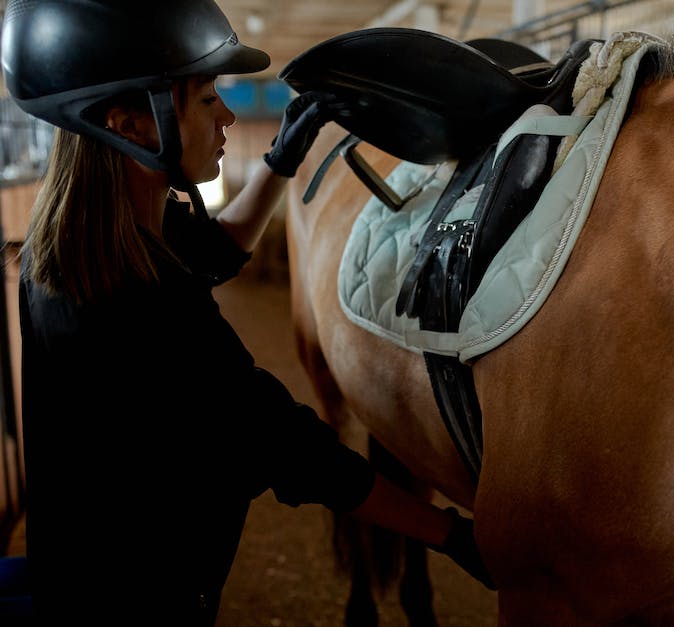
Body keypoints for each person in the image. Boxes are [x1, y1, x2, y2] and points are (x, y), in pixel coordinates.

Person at [0, 1, 494, 624]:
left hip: (77, 578)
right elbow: (288, 447)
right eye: (208, 99)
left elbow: (214, 249)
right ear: (131, 124)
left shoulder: (79, 249)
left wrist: (282, 160)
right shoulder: (148, 311)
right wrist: (452, 535)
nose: (228, 117)